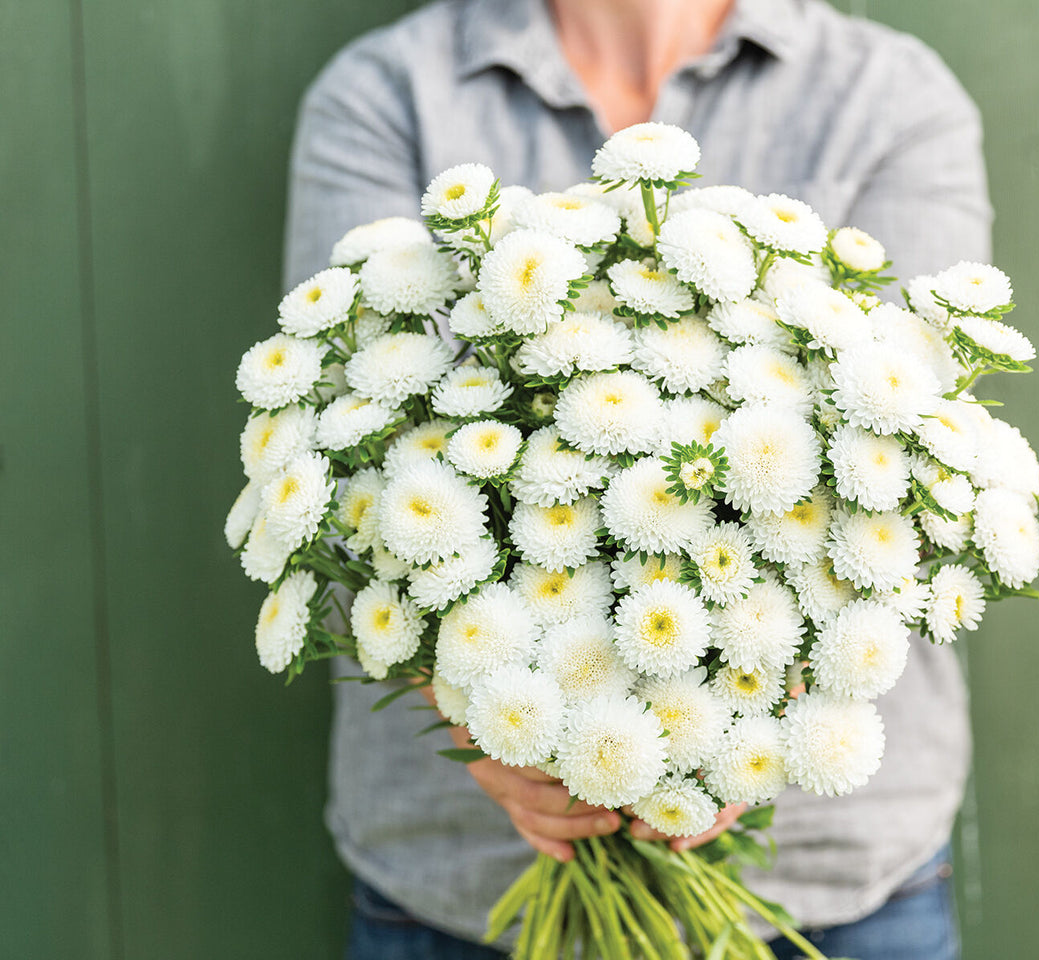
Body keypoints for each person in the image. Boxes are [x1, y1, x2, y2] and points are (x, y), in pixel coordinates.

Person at [282, 1, 992, 957]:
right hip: (458, 883)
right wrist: (487, 723)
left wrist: (728, 731)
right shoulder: (388, 93)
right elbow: (353, 443)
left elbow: (913, 453)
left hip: (832, 889)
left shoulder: (888, 93)